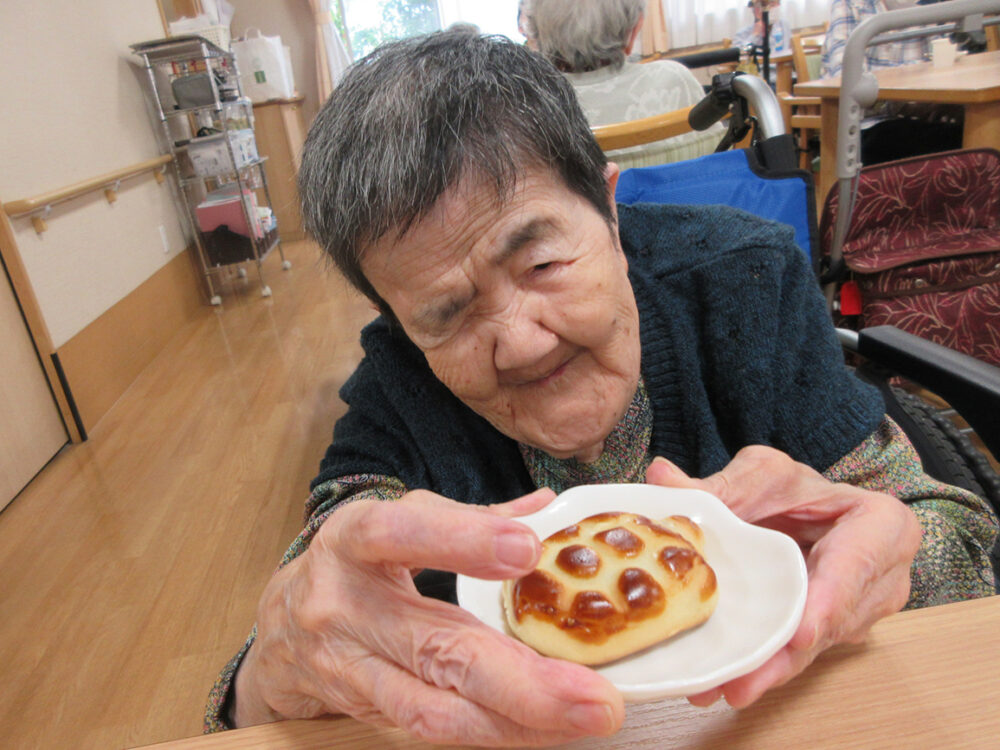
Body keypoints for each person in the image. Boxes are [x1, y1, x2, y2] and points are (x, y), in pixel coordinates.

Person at [204, 31, 998, 746]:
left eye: (542, 264)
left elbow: (963, 546)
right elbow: (309, 613)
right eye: (444, 313)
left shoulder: (748, 284)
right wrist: (269, 673)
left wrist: (868, 567)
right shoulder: (396, 395)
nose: (518, 341)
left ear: (612, 211)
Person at [521, 0, 726, 169]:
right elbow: (720, 162)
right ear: (634, 29)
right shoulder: (676, 81)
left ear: (535, 34)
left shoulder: (527, 105)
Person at [820, 0, 927, 77]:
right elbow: (846, 75)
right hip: (866, 104)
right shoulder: (848, 4)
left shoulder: (932, 5)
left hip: (923, 102)